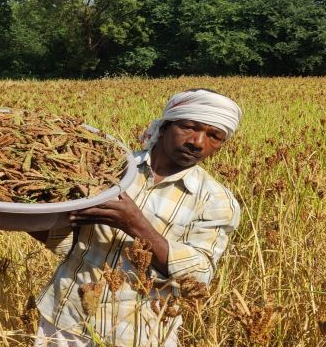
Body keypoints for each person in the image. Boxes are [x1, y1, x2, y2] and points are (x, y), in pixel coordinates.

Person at [31, 89, 242, 346]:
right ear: (165, 127)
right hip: (66, 320)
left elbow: (198, 276)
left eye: (214, 136)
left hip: (141, 333)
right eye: (189, 127)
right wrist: (10, 216)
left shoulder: (216, 201)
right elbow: (67, 240)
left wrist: (135, 224)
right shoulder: (109, 167)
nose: (198, 142)